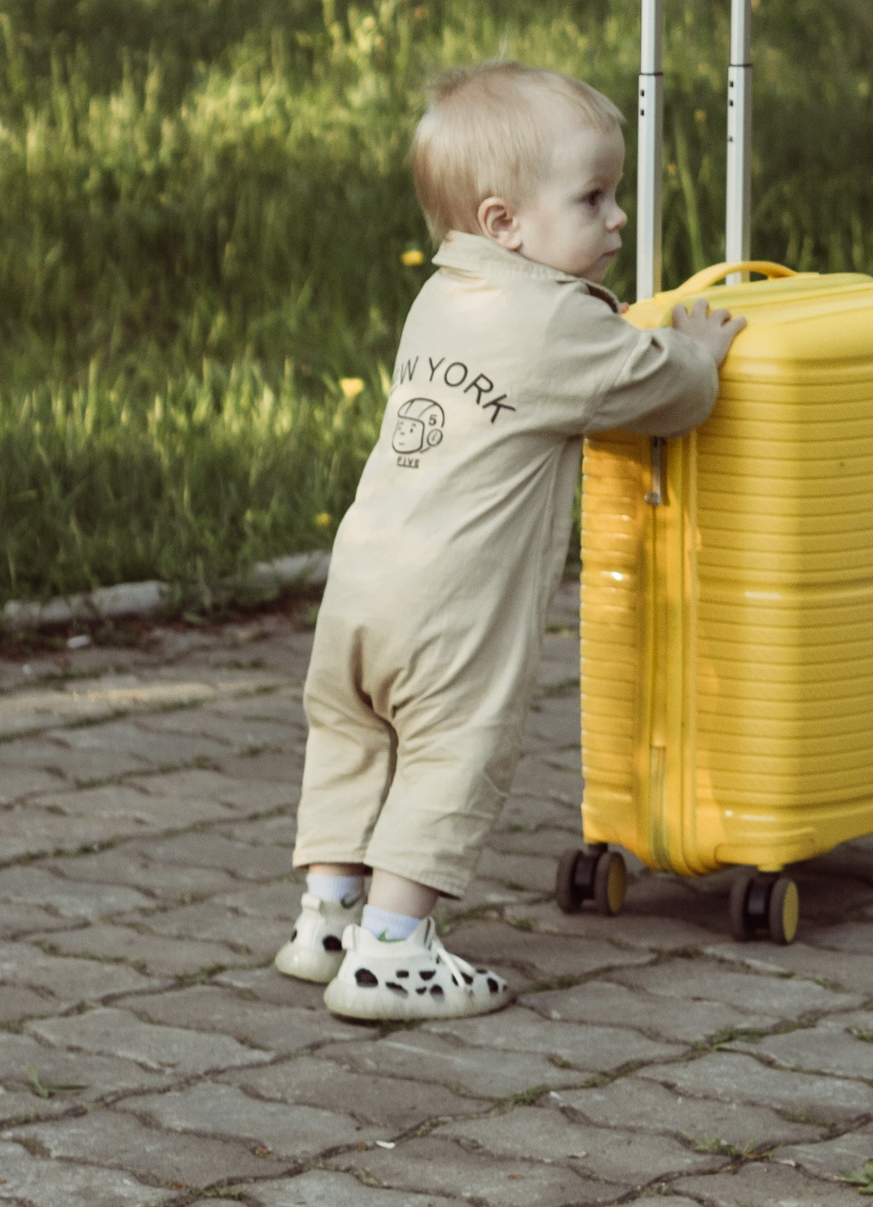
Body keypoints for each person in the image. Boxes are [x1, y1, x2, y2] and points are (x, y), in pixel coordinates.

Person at [274, 61, 745, 1020]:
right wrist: (699, 346)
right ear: (505, 224)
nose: (617, 220)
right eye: (594, 198)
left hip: (364, 579)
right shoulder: (559, 325)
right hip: (455, 604)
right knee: (453, 748)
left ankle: (329, 915)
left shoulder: (446, 295)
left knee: (354, 734)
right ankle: (395, 952)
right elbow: (673, 394)